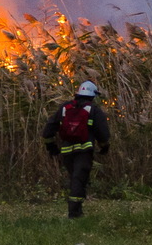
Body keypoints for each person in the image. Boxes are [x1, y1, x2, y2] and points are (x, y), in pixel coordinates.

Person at [41, 81, 110, 219]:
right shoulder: (94, 110)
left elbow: (48, 130)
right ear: (93, 95)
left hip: (67, 152)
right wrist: (104, 147)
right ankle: (74, 214)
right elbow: (103, 133)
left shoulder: (65, 108)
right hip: (84, 152)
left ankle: (76, 211)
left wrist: (52, 147)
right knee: (79, 180)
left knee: (75, 179)